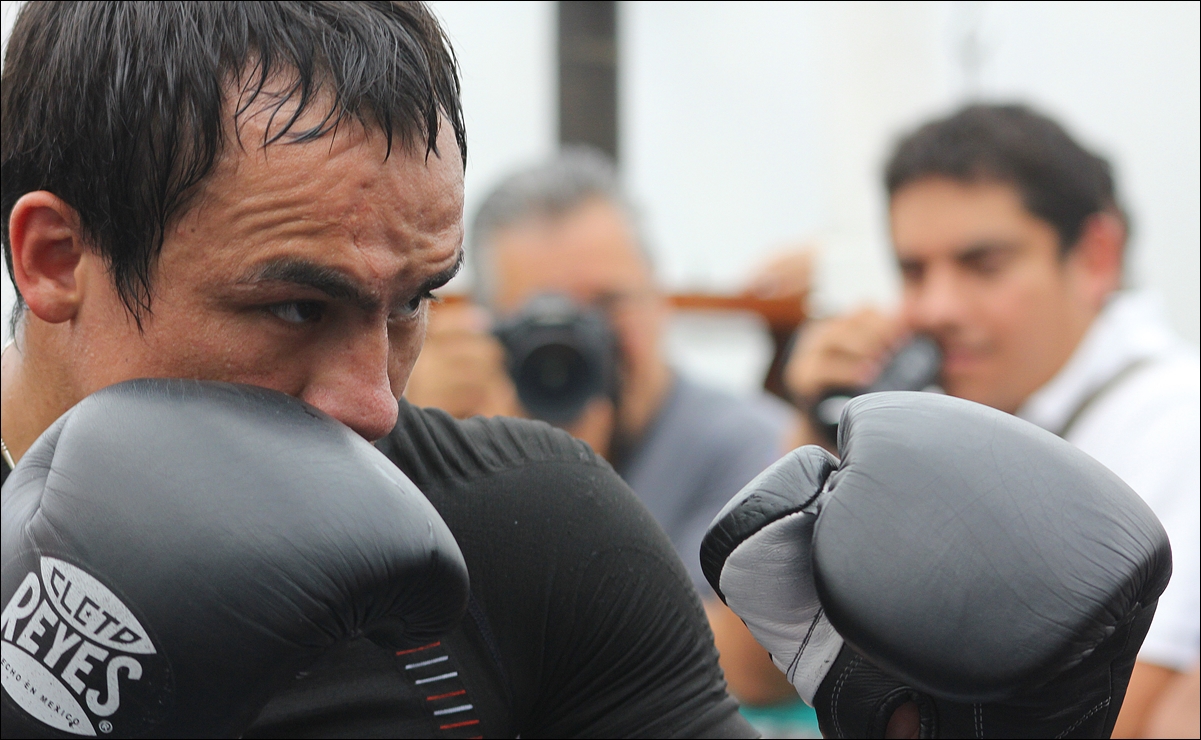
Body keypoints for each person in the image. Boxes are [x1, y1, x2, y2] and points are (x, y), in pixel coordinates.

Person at [0, 3, 754, 736]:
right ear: (58, 259)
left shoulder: (535, 538)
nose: (374, 407)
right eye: (297, 308)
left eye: (409, 304)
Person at [783, 103, 1200, 738]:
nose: (937, 308)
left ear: (1096, 256)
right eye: (913, 271)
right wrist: (821, 440)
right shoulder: (977, 423)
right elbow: (758, 671)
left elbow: (1116, 720)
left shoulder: (1176, 422)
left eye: (984, 266)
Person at [404, 149, 804, 709]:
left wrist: (553, 488)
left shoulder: (757, 448)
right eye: (546, 318)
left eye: (608, 306)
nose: (580, 345)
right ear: (491, 332)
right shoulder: (460, 446)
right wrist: (415, 441)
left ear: (660, 300)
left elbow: (744, 670)